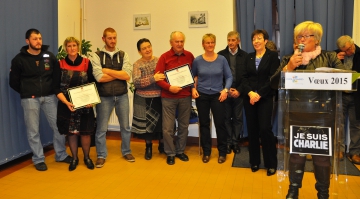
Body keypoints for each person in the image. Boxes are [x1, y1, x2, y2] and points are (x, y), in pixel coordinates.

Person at [276, 21, 344, 199]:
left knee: (321, 158)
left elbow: (347, 81)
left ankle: (323, 193)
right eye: (299, 36)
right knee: (296, 156)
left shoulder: (330, 57)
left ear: (317, 39)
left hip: (323, 117)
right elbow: (272, 84)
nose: (302, 39)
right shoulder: (287, 59)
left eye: (307, 36)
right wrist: (289, 67)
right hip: (296, 115)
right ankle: (293, 189)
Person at [9, 28, 72, 171]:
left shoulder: (49, 56)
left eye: (40, 38)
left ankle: (61, 155)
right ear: (27, 41)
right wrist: (28, 91)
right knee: (33, 130)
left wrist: (52, 91)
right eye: (35, 39)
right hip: (30, 99)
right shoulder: (19, 60)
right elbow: (14, 82)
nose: (38, 41)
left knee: (58, 127)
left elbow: (55, 78)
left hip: (49, 97)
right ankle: (38, 159)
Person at [90, 27, 133, 167]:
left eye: (114, 37)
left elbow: (127, 75)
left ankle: (126, 151)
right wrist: (118, 74)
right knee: (101, 129)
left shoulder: (123, 54)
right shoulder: (96, 55)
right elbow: (99, 77)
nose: (113, 40)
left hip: (122, 96)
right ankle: (101, 155)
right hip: (104, 97)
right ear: (103, 39)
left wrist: (107, 70)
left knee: (125, 127)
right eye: (110, 38)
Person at [240, 29, 279, 176]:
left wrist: (259, 94)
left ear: (265, 41)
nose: (256, 41)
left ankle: (271, 163)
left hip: (265, 98)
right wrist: (250, 92)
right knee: (252, 130)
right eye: (254, 39)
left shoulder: (273, 56)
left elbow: (273, 78)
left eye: (259, 38)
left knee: (265, 129)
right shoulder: (248, 57)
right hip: (249, 98)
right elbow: (243, 78)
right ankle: (254, 161)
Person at [54, 37, 96, 171]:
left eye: (74, 45)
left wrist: (91, 100)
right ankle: (74, 158)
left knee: (85, 132)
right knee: (71, 133)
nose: (72, 48)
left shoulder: (86, 62)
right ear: (65, 48)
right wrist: (66, 102)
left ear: (78, 47)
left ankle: (87, 157)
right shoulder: (59, 64)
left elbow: (92, 83)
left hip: (85, 103)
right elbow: (55, 87)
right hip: (66, 104)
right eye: (69, 46)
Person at [192, 33, 233, 163]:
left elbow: (229, 77)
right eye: (207, 42)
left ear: (215, 44)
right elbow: (192, 77)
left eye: (212, 42)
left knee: (220, 123)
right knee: (204, 124)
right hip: (202, 95)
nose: (210, 45)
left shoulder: (222, 59)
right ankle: (207, 152)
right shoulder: (197, 60)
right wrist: (193, 89)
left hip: (218, 95)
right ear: (203, 44)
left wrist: (225, 90)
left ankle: (222, 152)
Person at [155, 31, 194, 165]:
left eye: (181, 41)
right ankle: (170, 153)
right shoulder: (164, 57)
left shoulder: (189, 56)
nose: (179, 44)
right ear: (171, 42)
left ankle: (180, 151)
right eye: (177, 41)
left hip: (185, 96)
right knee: (168, 128)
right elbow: (158, 79)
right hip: (168, 97)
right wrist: (169, 87)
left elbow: (193, 76)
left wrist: (194, 87)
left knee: (184, 126)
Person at [131, 38, 165, 160]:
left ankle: (162, 146)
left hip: (159, 97)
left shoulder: (159, 60)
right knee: (147, 127)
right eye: (144, 48)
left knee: (161, 124)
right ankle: (148, 147)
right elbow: (136, 82)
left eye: (149, 46)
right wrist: (153, 78)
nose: (147, 50)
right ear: (139, 51)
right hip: (143, 99)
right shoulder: (137, 64)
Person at [218, 31, 248, 154]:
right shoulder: (220, 55)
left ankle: (235, 142)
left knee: (237, 118)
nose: (230, 43)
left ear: (238, 41)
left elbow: (246, 76)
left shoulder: (245, 56)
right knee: (225, 118)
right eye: (229, 40)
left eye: (233, 40)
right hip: (225, 92)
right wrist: (226, 89)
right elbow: (218, 75)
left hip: (238, 93)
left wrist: (239, 91)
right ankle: (228, 142)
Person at [335, 35, 360, 164]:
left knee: (356, 125)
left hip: (357, 96)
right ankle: (339, 150)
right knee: (339, 124)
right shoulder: (335, 55)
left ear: (352, 43)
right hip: (341, 95)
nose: (348, 52)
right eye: (345, 50)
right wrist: (335, 59)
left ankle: (355, 152)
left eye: (349, 49)